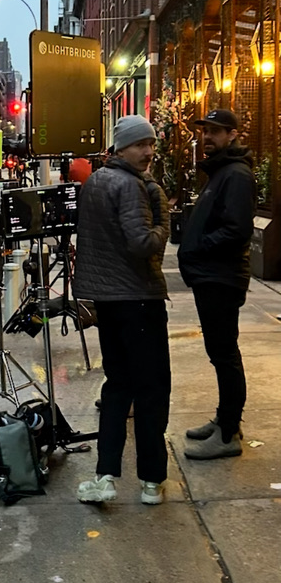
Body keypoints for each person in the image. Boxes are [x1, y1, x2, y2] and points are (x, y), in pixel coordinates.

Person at [73, 115, 170, 505]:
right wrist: (165, 221)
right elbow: (143, 244)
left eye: (151, 144)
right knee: (151, 390)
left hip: (108, 303)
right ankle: (151, 480)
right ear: (120, 148)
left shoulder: (96, 180)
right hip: (139, 301)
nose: (148, 152)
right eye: (140, 145)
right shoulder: (131, 186)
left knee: (117, 387)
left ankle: (106, 474)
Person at [177, 108, 255, 460]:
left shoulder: (235, 175)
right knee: (221, 353)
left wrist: (198, 247)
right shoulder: (222, 171)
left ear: (232, 135)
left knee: (224, 355)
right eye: (205, 131)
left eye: (216, 131)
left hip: (220, 278)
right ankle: (226, 421)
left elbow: (237, 230)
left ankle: (226, 435)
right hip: (213, 276)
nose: (207, 137)